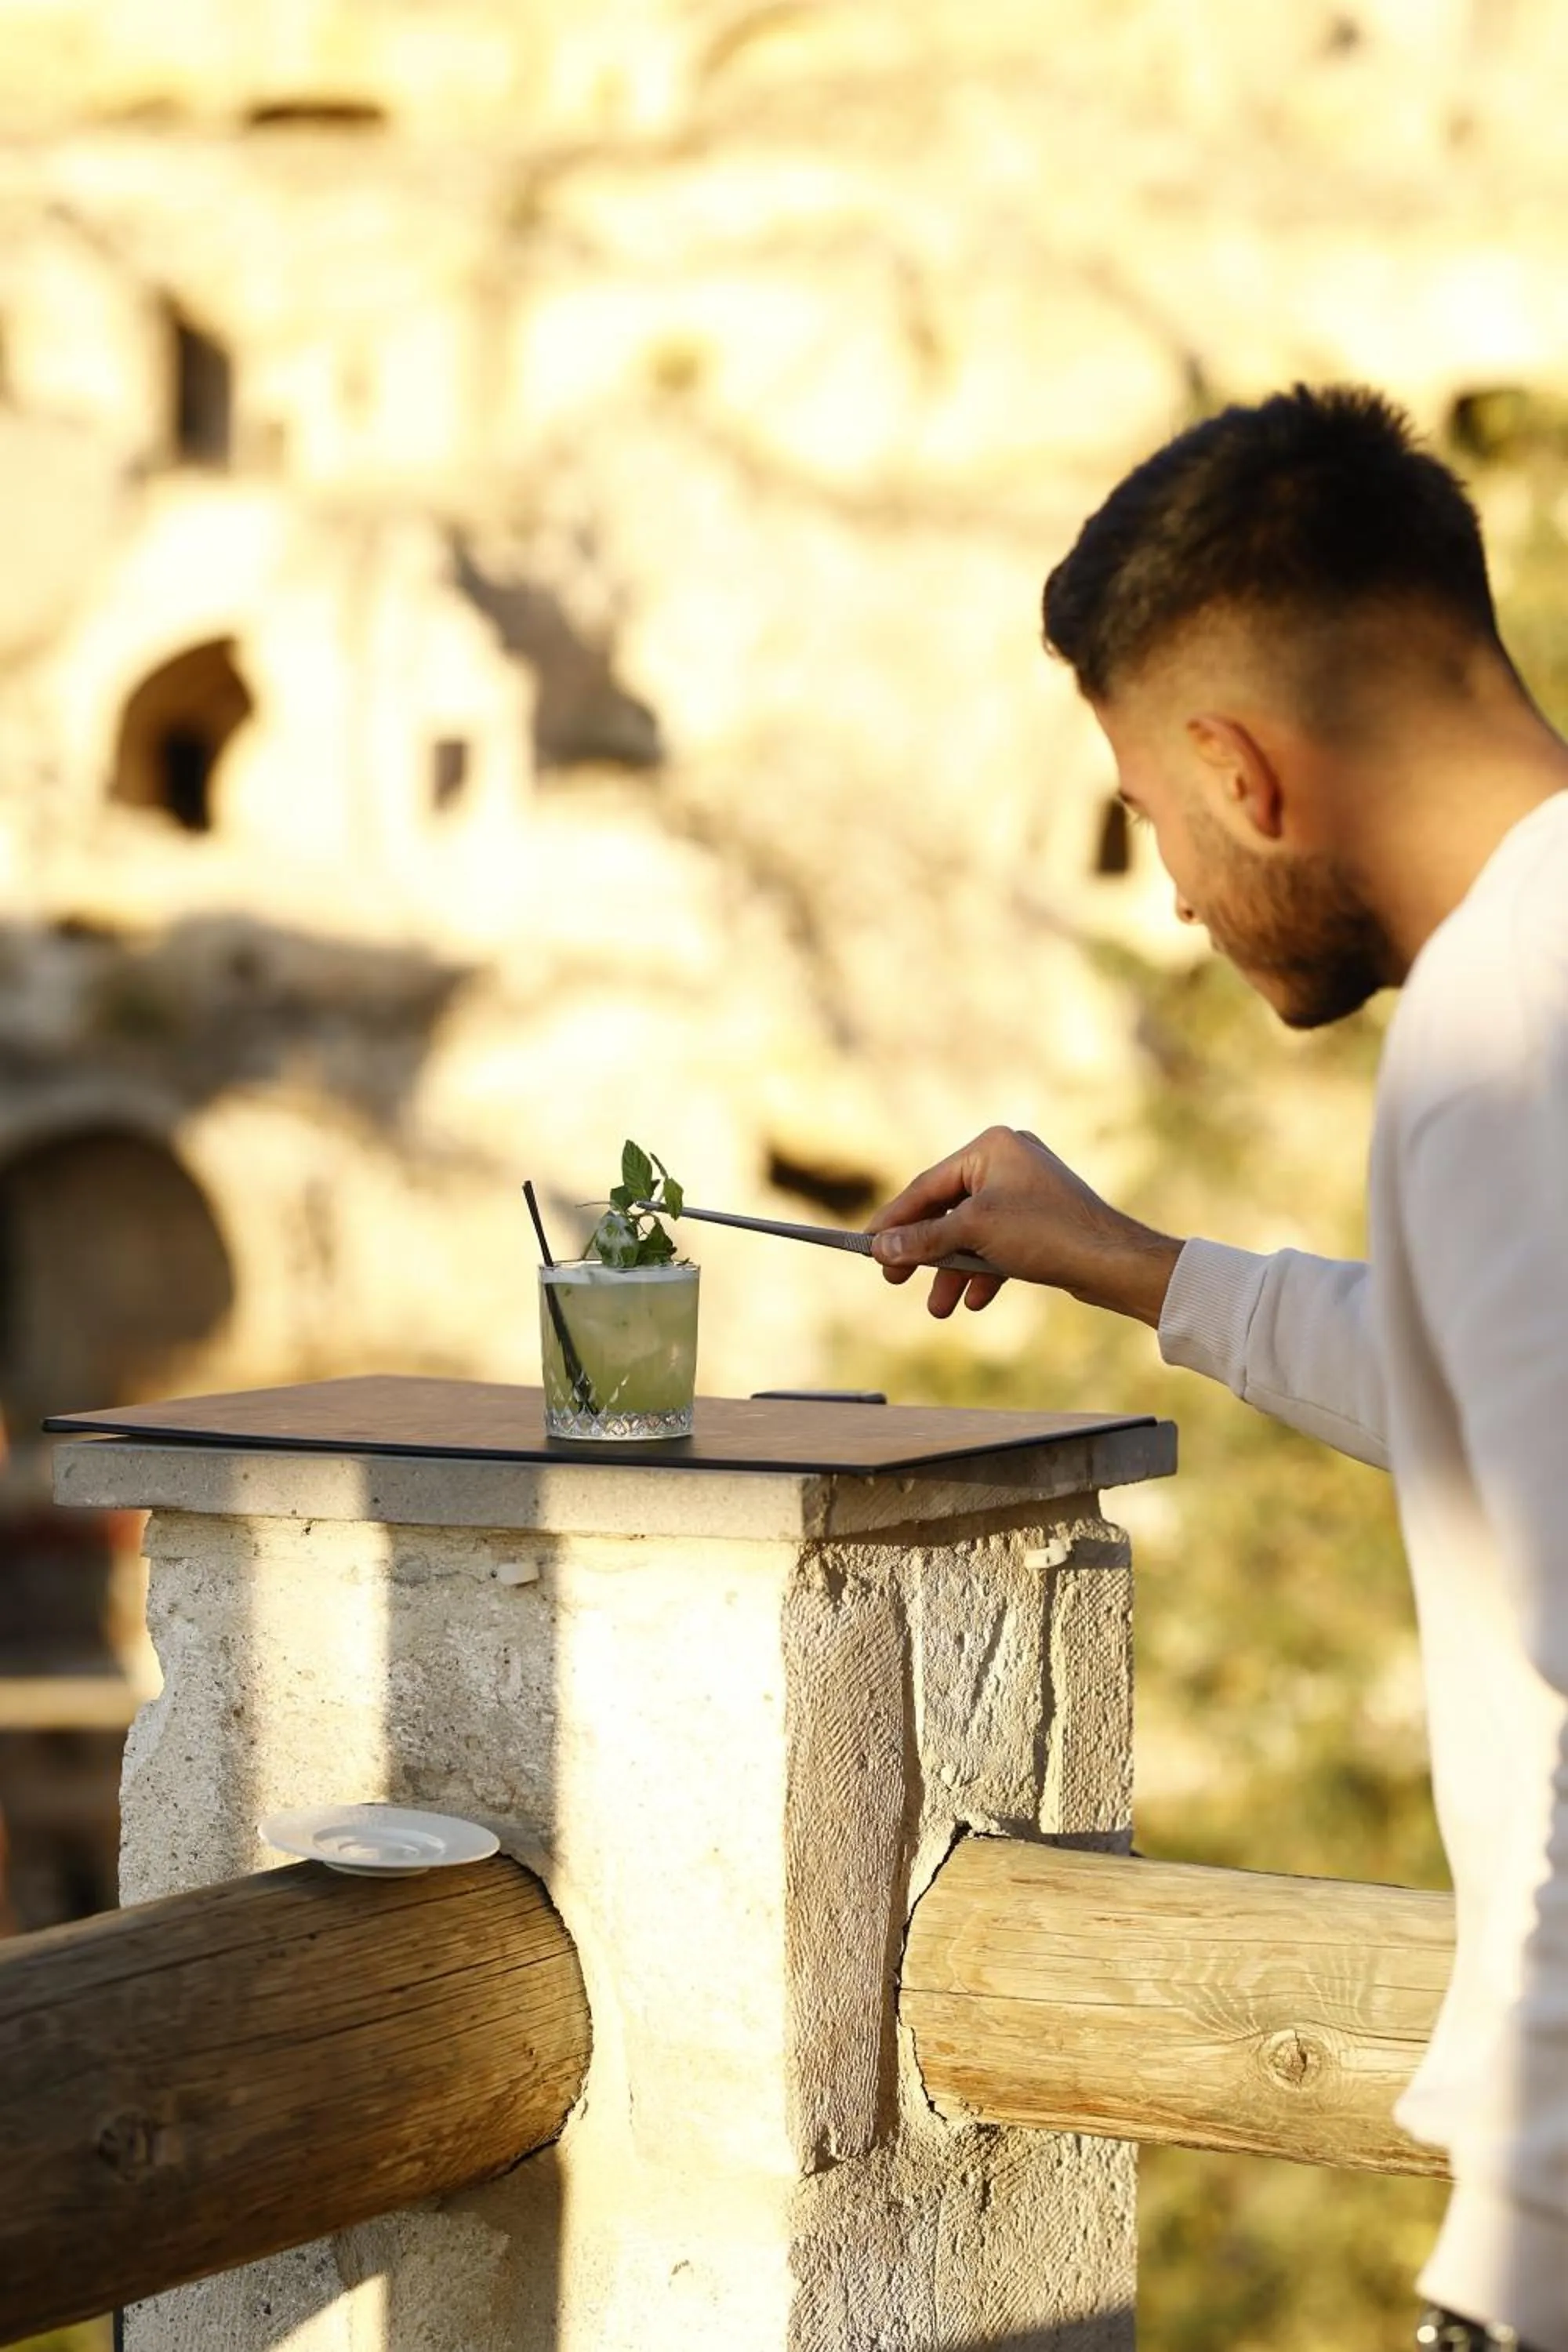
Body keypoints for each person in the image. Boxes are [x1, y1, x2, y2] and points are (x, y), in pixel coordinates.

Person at [866, 385, 1568, 2352]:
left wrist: (1515, 2262)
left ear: (1242, 772)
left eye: (1149, 816)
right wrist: (1126, 1263)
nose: (1168, 888)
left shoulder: (1498, 1045)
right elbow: (1498, 1393)